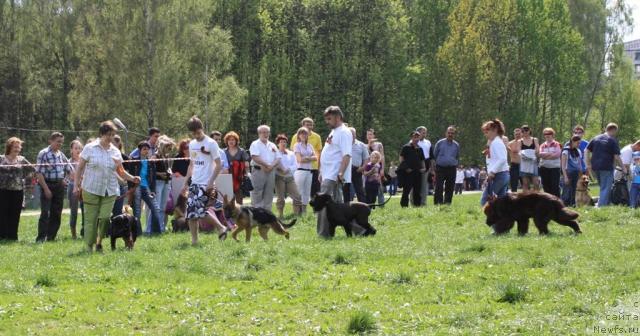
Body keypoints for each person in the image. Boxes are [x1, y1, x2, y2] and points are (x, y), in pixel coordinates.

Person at [73, 121, 140, 252]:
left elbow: (120, 171)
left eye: (113, 134)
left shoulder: (115, 152)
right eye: (108, 134)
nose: (111, 137)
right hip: (90, 189)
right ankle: (89, 246)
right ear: (101, 134)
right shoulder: (90, 148)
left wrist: (132, 178)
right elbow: (80, 167)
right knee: (90, 220)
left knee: (104, 218)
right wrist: (76, 185)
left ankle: (99, 242)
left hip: (110, 190)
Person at [180, 116, 225, 246]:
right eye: (193, 133)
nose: (196, 135)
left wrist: (211, 182)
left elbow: (219, 164)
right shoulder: (192, 144)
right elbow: (191, 164)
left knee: (198, 211)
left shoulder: (211, 143)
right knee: (191, 214)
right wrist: (185, 182)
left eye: (198, 132)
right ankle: (195, 241)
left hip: (206, 183)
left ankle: (220, 227)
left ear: (202, 128)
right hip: (194, 182)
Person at [36, 132, 71, 242]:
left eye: (61, 142)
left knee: (56, 212)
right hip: (47, 184)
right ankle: (41, 238)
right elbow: (39, 173)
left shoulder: (61, 154)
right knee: (45, 212)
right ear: (50, 141)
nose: (60, 144)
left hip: (59, 186)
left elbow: (69, 170)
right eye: (58, 142)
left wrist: (65, 180)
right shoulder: (43, 153)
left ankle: (51, 237)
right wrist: (46, 189)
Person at [0, 137, 35, 241]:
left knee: (15, 214)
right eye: (15, 146)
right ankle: (2, 236)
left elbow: (33, 170)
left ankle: (13, 237)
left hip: (18, 191)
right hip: (2, 191)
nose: (17, 149)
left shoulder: (22, 159)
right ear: (9, 147)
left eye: (19, 147)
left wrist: (26, 178)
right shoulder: (1, 159)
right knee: (2, 213)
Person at [586, 123, 625, 207]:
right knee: (606, 188)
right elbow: (616, 156)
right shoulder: (612, 140)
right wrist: (623, 167)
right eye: (615, 131)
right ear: (614, 130)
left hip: (595, 167)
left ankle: (606, 203)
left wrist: (588, 164)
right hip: (606, 167)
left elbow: (586, 150)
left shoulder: (595, 138)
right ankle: (601, 207)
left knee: (603, 187)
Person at [319, 106, 352, 204]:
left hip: (334, 173)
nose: (327, 122)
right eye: (326, 119)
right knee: (335, 202)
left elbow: (347, 155)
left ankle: (322, 219)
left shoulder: (344, 132)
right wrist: (322, 171)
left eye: (329, 119)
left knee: (323, 201)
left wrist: (341, 172)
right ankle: (339, 219)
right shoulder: (334, 131)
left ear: (337, 117)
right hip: (328, 172)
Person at [131, 141, 163, 234]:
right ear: (139, 150)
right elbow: (131, 175)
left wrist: (153, 190)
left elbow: (153, 178)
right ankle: (138, 233)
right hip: (136, 187)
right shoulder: (134, 160)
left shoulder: (151, 162)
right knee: (137, 211)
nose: (146, 151)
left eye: (148, 149)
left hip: (147, 188)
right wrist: (131, 188)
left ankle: (156, 232)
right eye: (144, 149)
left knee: (155, 208)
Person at [249, 125, 280, 210]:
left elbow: (278, 157)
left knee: (269, 193)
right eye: (263, 132)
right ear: (259, 133)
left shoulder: (272, 145)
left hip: (271, 171)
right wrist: (267, 165)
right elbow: (255, 157)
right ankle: (257, 214)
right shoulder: (255, 144)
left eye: (267, 132)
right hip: (259, 171)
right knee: (257, 193)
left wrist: (271, 166)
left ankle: (267, 215)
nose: (265, 134)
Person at [290, 117, 322, 197]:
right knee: (300, 189)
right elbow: (293, 153)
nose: (309, 126)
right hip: (299, 168)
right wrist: (308, 158)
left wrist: (319, 168)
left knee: (315, 190)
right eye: (307, 125)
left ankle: (315, 208)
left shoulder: (317, 137)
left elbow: (318, 153)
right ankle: (298, 207)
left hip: (314, 167)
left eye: (311, 125)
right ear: (302, 125)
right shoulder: (295, 136)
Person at [481, 119, 510, 205]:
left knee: (486, 200)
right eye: (484, 131)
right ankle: (503, 218)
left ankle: (484, 217)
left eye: (487, 131)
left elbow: (502, 159)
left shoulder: (496, 142)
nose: (485, 133)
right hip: (502, 174)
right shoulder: (495, 142)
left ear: (495, 130)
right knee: (500, 202)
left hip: (499, 175)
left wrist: (492, 172)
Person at [274, 134, 302, 218]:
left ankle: (296, 215)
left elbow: (296, 165)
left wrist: (288, 169)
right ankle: (280, 215)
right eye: (281, 142)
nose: (283, 143)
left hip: (290, 178)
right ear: (278, 144)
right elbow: (274, 164)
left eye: (285, 142)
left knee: (297, 196)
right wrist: (280, 169)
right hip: (279, 178)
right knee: (281, 198)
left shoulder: (291, 153)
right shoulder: (275, 153)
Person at [151, 135, 175, 232]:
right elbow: (151, 171)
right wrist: (161, 174)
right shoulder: (154, 156)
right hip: (158, 182)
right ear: (162, 146)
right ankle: (154, 228)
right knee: (157, 206)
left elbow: (168, 168)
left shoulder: (167, 156)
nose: (169, 150)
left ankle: (161, 227)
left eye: (170, 148)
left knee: (163, 207)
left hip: (166, 182)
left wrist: (169, 171)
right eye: (168, 148)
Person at [433, 126, 460, 205]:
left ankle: (447, 203)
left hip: (451, 168)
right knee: (439, 186)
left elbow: (457, 156)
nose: (450, 134)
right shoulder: (440, 143)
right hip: (440, 168)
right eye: (449, 133)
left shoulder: (456, 145)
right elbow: (435, 155)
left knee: (450, 187)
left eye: (452, 133)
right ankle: (438, 203)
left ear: (454, 135)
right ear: (446, 133)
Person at [293, 127, 317, 213]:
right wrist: (310, 158)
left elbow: (316, 158)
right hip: (300, 171)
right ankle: (297, 211)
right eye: (301, 133)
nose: (303, 135)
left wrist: (306, 158)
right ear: (298, 135)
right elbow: (299, 159)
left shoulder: (310, 146)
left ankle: (304, 210)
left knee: (307, 191)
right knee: (299, 191)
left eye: (305, 133)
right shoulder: (297, 145)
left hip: (309, 171)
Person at [398, 131, 425, 207]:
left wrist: (424, 168)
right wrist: (406, 168)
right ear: (411, 137)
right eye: (414, 137)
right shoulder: (406, 147)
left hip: (418, 172)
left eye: (417, 137)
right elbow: (401, 158)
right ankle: (404, 206)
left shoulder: (420, 149)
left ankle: (417, 206)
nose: (416, 138)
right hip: (408, 172)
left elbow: (422, 160)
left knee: (417, 190)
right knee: (406, 190)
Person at [223, 131, 250, 204]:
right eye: (229, 140)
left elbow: (247, 164)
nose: (231, 141)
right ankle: (227, 215)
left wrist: (247, 174)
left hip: (239, 178)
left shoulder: (241, 151)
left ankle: (239, 214)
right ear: (226, 141)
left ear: (236, 141)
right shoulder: (223, 152)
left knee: (239, 199)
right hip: (227, 177)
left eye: (233, 140)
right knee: (227, 199)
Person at [561, 135, 585, 207]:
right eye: (578, 143)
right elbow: (563, 165)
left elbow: (579, 163)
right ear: (573, 142)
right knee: (567, 190)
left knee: (574, 190)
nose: (579, 145)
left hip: (576, 173)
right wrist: (565, 177)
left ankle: (572, 204)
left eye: (579, 143)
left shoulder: (578, 151)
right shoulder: (565, 151)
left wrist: (581, 174)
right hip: (568, 173)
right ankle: (564, 205)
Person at [110, 135, 130, 220]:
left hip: (121, 187)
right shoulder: (107, 156)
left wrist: (127, 179)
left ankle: (116, 231)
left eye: (116, 143)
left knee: (117, 212)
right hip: (110, 186)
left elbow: (125, 172)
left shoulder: (124, 157)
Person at [67, 139, 84, 239]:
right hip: (72, 187)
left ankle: (85, 231)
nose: (78, 150)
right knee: (73, 211)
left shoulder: (85, 161)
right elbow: (71, 176)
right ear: (71, 150)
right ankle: (73, 234)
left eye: (79, 148)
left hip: (84, 187)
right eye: (76, 148)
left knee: (85, 210)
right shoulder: (68, 162)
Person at [538, 128, 562, 197]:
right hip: (544, 168)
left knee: (555, 186)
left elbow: (557, 155)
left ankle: (557, 203)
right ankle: (548, 203)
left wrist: (545, 156)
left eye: (549, 134)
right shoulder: (542, 145)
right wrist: (551, 154)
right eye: (545, 134)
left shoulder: (557, 144)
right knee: (546, 186)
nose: (547, 135)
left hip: (554, 168)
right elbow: (540, 154)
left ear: (552, 135)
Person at [348, 127, 369, 202]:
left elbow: (366, 158)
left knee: (359, 190)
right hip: (346, 170)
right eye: (350, 134)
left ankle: (363, 207)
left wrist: (363, 167)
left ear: (355, 134)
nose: (351, 135)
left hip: (357, 170)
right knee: (346, 190)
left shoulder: (361, 145)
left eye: (353, 134)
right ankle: (346, 207)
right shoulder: (343, 144)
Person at [367, 129, 386, 205]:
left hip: (378, 168)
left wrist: (382, 169)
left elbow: (382, 156)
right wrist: (369, 144)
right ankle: (370, 204)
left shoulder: (379, 144)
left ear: (374, 135)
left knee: (379, 186)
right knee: (369, 186)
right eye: (368, 134)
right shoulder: (365, 145)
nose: (369, 136)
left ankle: (381, 204)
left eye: (371, 134)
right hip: (368, 169)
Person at [519, 125, 540, 192]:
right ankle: (526, 200)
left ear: (529, 130)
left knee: (536, 183)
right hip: (524, 163)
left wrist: (532, 154)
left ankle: (537, 198)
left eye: (526, 130)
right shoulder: (520, 141)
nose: (525, 132)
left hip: (533, 162)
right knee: (525, 183)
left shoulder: (535, 139)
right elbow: (519, 151)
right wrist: (523, 155)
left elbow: (538, 149)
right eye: (523, 131)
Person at [171, 139, 190, 209]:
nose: (187, 149)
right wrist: (183, 178)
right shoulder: (178, 157)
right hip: (180, 183)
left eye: (188, 147)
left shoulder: (195, 157)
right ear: (181, 149)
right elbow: (174, 171)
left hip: (191, 181)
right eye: (185, 148)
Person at [416, 126, 433, 205]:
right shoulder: (413, 142)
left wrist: (431, 168)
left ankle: (423, 203)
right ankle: (413, 203)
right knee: (414, 185)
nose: (425, 134)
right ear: (418, 132)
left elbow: (431, 156)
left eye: (425, 133)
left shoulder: (428, 142)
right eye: (423, 132)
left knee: (424, 185)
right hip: (416, 164)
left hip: (426, 164)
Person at [508, 128, 522, 192]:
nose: (518, 135)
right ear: (514, 134)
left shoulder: (524, 142)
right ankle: (514, 199)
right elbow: (511, 153)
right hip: (514, 165)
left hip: (523, 165)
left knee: (525, 184)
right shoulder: (510, 143)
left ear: (521, 134)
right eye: (516, 134)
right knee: (513, 184)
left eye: (519, 134)